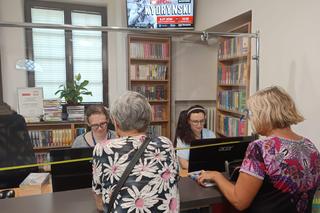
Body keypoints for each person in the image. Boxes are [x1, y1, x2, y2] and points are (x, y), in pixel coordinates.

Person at [198, 86, 320, 213]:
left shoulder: (260, 148)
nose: (250, 118)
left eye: (251, 113)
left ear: (264, 114)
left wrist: (216, 176)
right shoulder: (309, 146)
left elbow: (239, 201)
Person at [92, 91, 180, 212]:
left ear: (116, 123)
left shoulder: (102, 149)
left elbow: (99, 203)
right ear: (149, 119)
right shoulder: (166, 143)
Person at [174, 105, 215, 170]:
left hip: (207, 171)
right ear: (188, 121)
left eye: (202, 121)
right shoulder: (181, 137)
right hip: (188, 171)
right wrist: (202, 168)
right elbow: (183, 163)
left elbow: (214, 157)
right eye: (195, 121)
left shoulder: (210, 134)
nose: (199, 125)